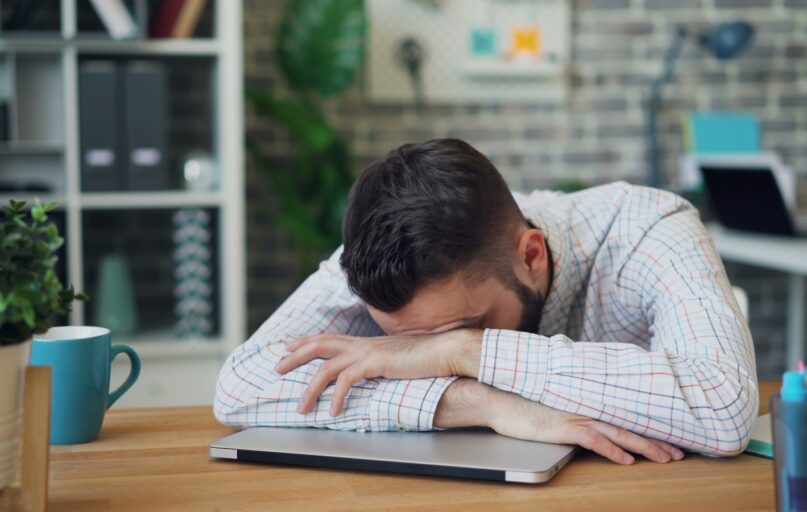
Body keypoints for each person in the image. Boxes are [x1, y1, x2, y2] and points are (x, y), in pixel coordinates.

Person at [215, 138, 758, 465]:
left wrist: (464, 352)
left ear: (531, 255)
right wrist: (480, 403)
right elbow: (239, 387)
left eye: (459, 326)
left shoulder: (649, 228)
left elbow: (724, 405)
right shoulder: (378, 258)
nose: (419, 354)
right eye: (407, 340)